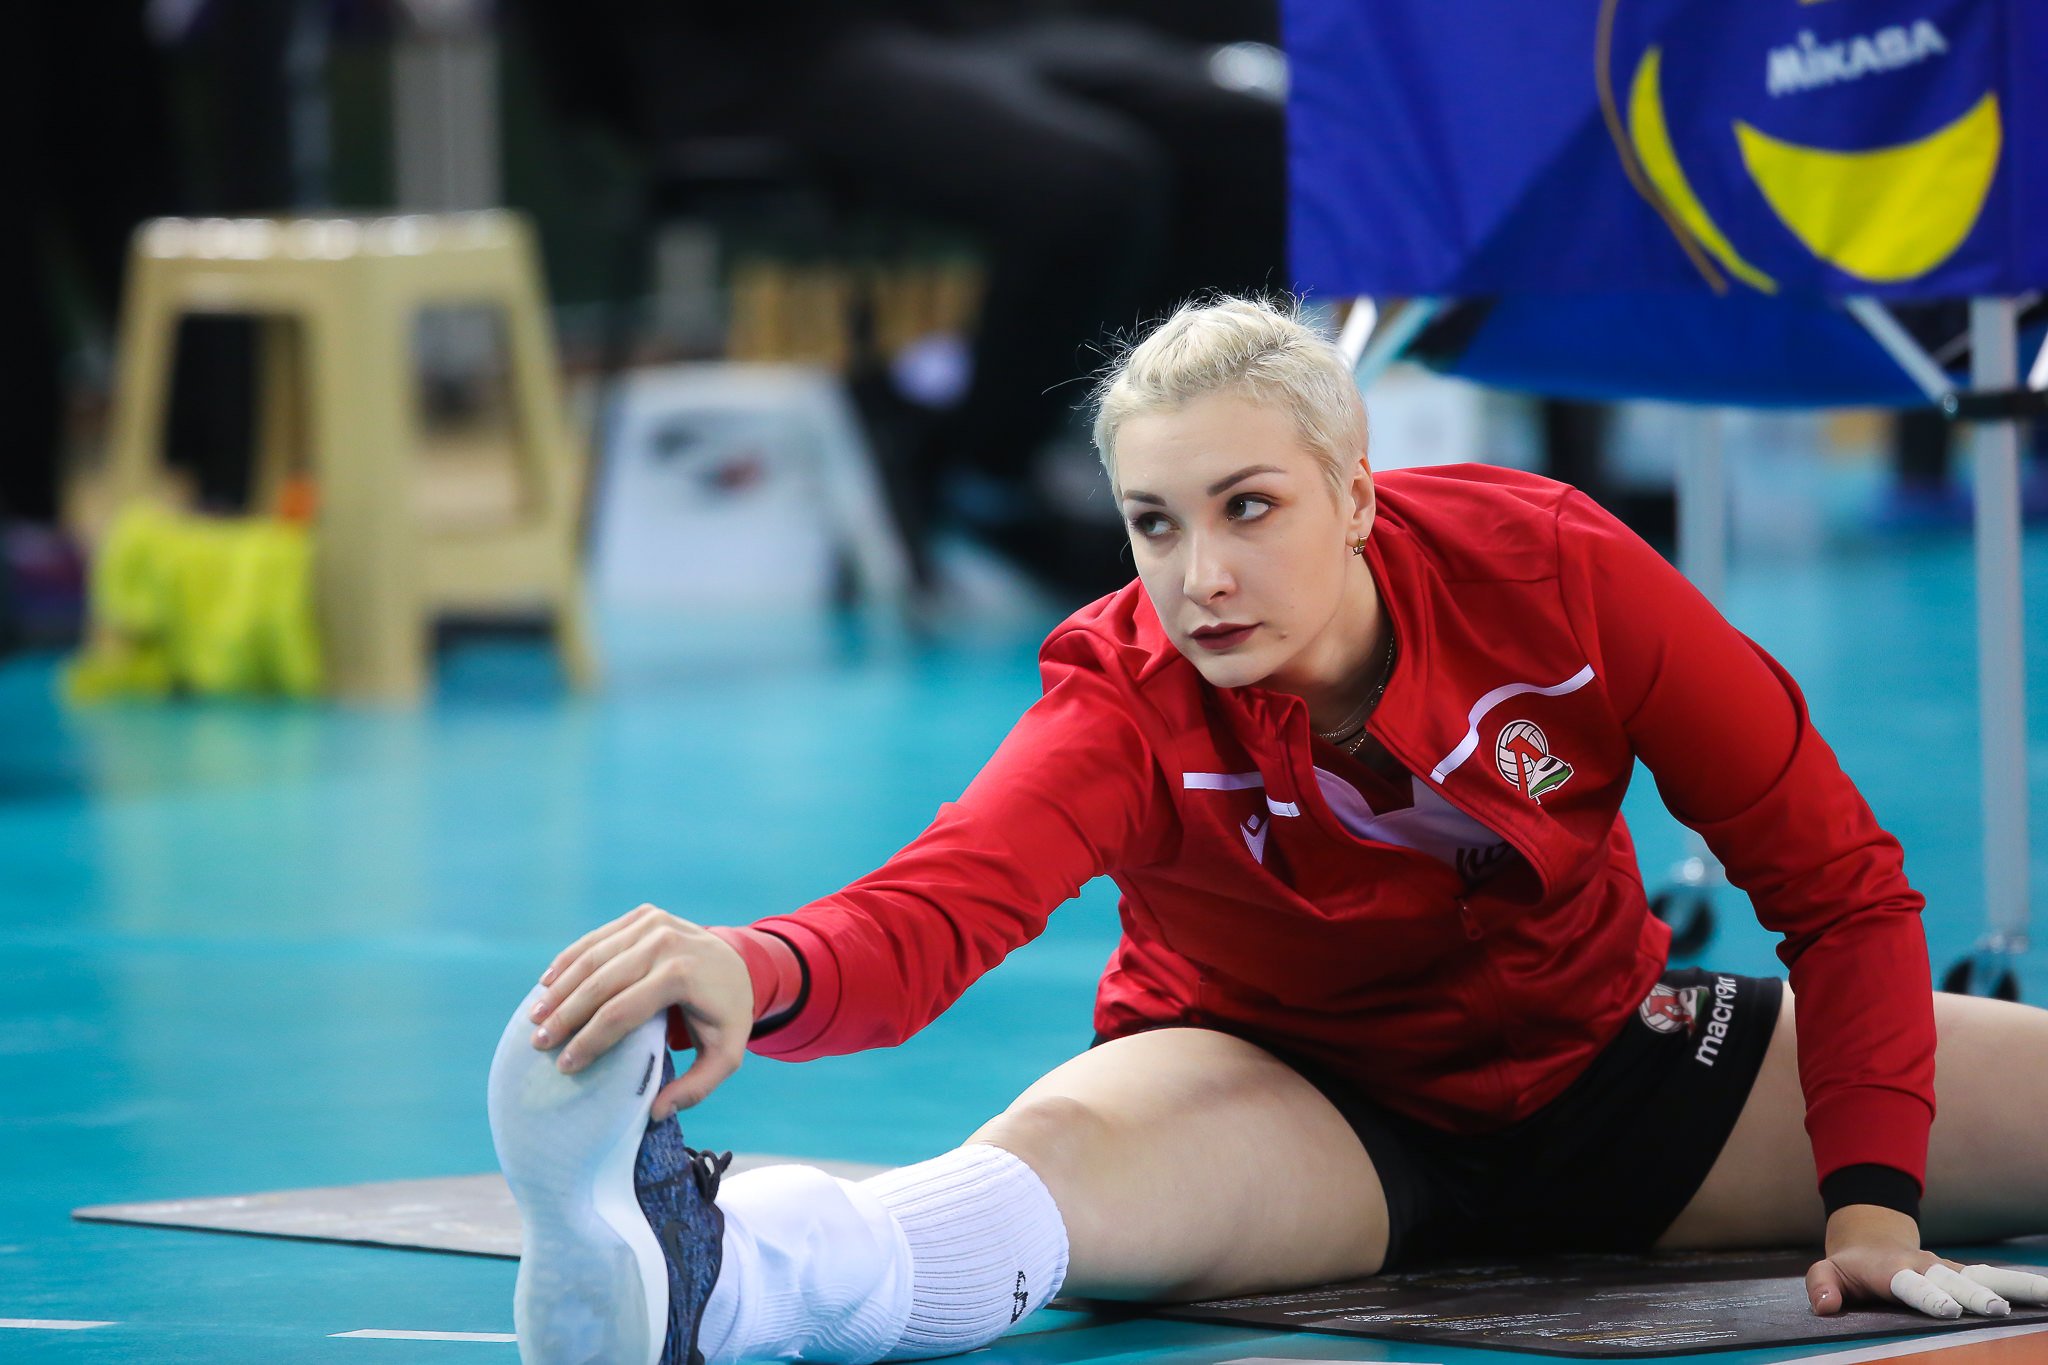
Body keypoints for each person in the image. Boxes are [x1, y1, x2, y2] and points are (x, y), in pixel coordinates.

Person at [487, 296, 2048, 1365]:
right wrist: (754, 966)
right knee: (1049, 1166)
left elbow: (1839, 886)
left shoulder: (1560, 572)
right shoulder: (1122, 698)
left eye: (1250, 507)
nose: (1201, 577)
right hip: (1287, 1099)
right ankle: (704, 1277)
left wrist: (1871, 1206)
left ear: (1357, 494)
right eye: (1154, 525)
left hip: (1624, 1066)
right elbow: (941, 905)